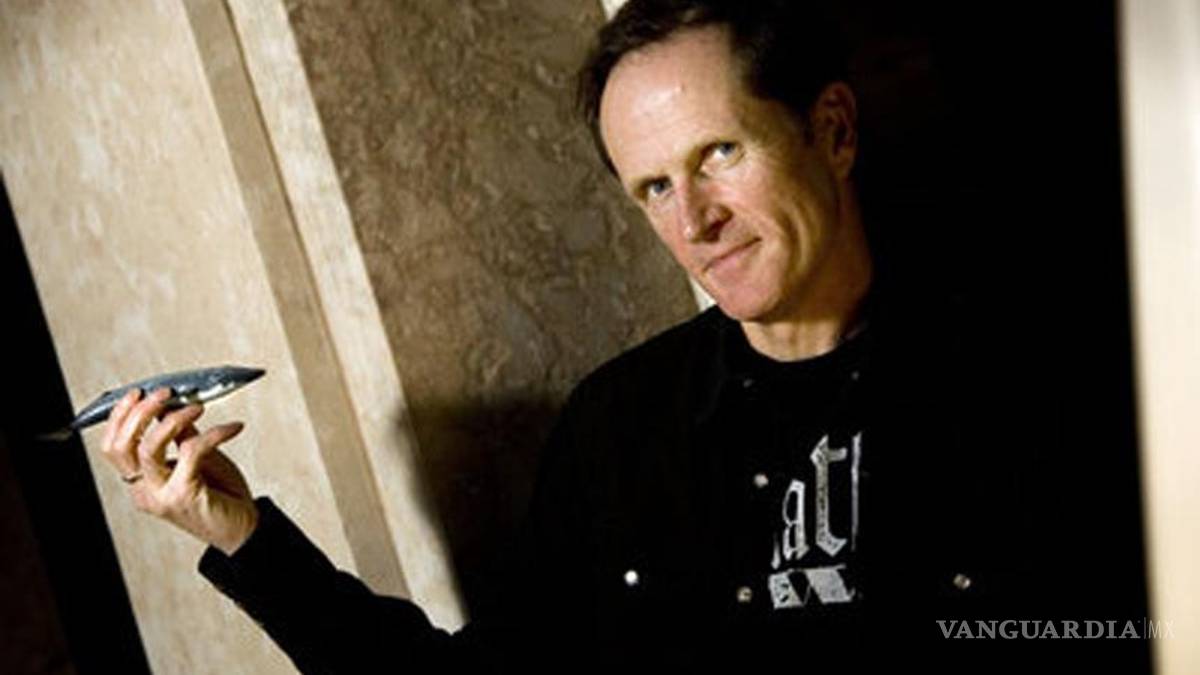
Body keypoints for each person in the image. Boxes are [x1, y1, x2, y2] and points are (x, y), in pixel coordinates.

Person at [97, 1, 1145, 672]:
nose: (696, 220)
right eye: (654, 187)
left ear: (832, 129)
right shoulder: (617, 428)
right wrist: (241, 534)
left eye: (720, 154)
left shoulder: (1049, 371)